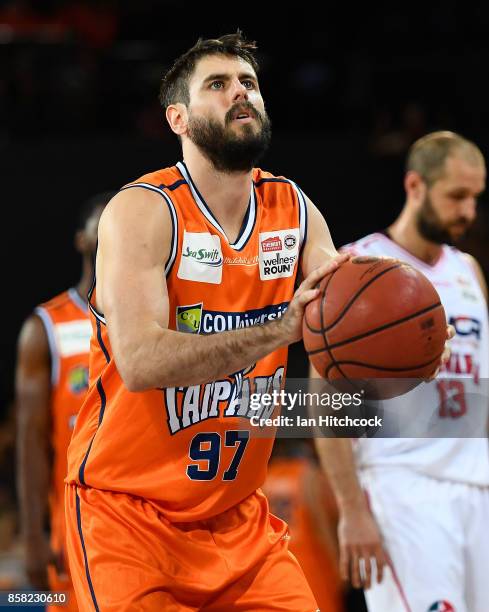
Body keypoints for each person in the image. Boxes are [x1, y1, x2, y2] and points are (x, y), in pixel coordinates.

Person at [63, 33, 448, 611]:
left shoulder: (293, 209)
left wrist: (408, 344)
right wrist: (277, 329)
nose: (240, 93)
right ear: (178, 118)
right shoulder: (143, 210)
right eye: (217, 85)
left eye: (249, 83)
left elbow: (347, 314)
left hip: (240, 519)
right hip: (129, 518)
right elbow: (140, 363)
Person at [314, 131, 488, 612]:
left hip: (476, 486)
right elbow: (325, 401)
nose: (468, 212)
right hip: (402, 489)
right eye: (457, 196)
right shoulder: (356, 268)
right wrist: (352, 510)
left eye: (475, 197)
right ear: (415, 186)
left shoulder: (469, 271)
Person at [16, 192, 112, 611]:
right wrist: (32, 534)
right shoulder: (46, 327)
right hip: (72, 528)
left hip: (146, 522)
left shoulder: (158, 318)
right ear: (81, 240)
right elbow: (31, 440)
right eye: (101, 220)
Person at [263, 440, 345, 612]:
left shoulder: (262, 479)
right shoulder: (310, 475)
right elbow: (322, 525)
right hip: (314, 570)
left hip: (277, 572)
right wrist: (338, 566)